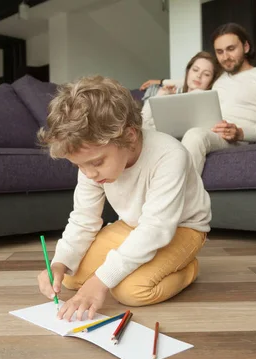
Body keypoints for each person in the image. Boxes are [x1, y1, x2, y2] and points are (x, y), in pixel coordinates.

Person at [36, 75, 212, 321]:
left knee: (131, 292)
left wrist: (100, 281)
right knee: (70, 277)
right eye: (79, 166)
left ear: (129, 136)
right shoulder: (91, 167)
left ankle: (188, 269)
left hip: (182, 228)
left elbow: (156, 229)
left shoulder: (170, 155)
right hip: (134, 225)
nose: (89, 174)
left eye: (96, 162)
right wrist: (59, 263)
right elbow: (83, 219)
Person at [139, 23, 256, 175]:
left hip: (234, 138)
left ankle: (181, 196)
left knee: (195, 134)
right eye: (219, 51)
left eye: (231, 49)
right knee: (148, 132)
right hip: (207, 129)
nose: (225, 57)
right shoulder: (220, 78)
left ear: (246, 47)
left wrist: (240, 132)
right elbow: (194, 79)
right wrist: (162, 82)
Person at [141, 51, 220, 131]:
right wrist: (160, 94)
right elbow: (143, 121)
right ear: (188, 71)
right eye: (195, 70)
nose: (199, 76)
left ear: (212, 80)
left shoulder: (209, 106)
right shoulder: (172, 98)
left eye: (206, 74)